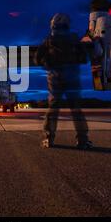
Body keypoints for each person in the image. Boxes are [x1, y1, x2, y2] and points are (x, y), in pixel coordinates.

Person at [35, 13, 92, 150]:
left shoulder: (48, 40)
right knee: (76, 110)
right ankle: (82, 140)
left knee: (53, 109)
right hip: (72, 78)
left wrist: (48, 65)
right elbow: (84, 57)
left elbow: (38, 59)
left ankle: (49, 139)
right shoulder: (73, 39)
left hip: (55, 78)